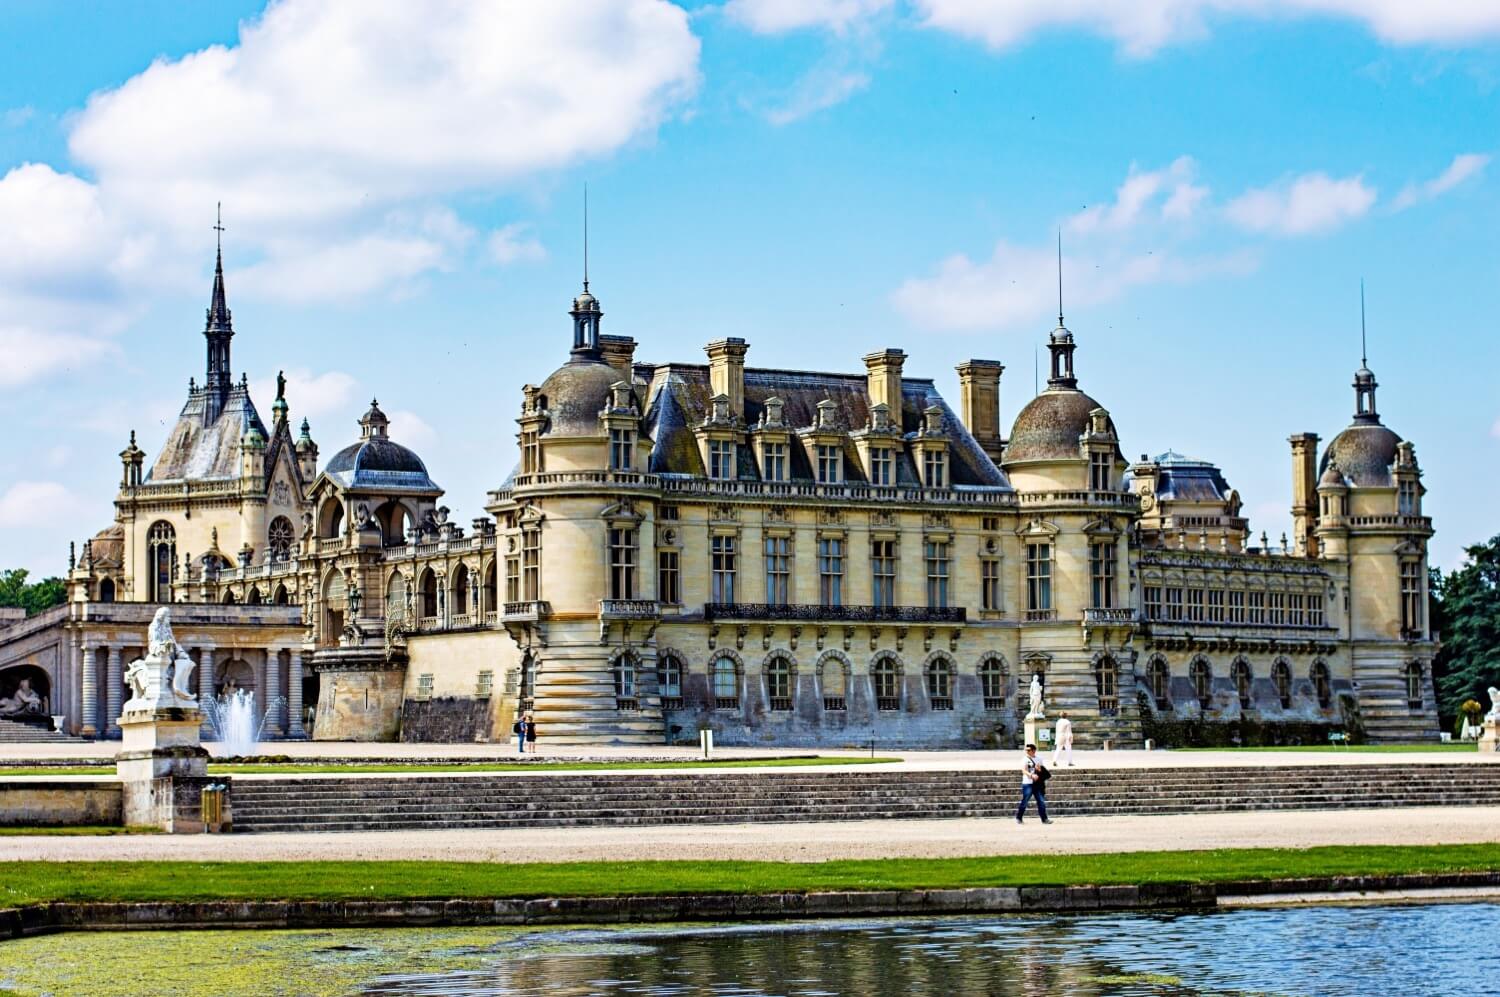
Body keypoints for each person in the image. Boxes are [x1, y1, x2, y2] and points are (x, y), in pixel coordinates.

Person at [1016, 744, 1051, 824]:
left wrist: (1039, 770)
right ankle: (1019, 818)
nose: (1027, 751)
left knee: (1041, 801)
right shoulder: (1024, 759)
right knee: (1025, 801)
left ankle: (1044, 819)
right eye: (1026, 750)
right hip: (1028, 783)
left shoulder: (1039, 759)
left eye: (1029, 750)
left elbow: (1042, 770)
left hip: (1037, 784)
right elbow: (1024, 771)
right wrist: (1031, 775)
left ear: (1034, 750)